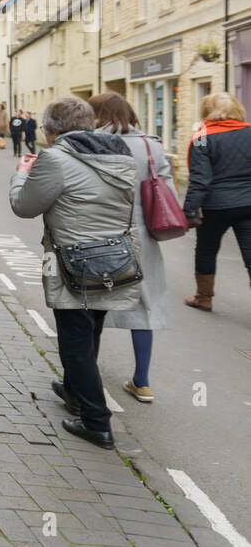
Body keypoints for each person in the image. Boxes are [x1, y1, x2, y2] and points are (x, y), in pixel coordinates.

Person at [10, 97, 142, 449]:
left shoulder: (55, 158)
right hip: (113, 258)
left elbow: (24, 206)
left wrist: (21, 175)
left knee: (74, 344)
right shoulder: (119, 152)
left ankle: (96, 422)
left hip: (74, 262)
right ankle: (74, 391)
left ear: (53, 130)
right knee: (91, 330)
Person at [90, 92, 175, 403]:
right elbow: (169, 190)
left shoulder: (89, 143)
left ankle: (86, 376)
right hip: (142, 234)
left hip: (100, 232)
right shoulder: (152, 145)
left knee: (91, 304)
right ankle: (142, 381)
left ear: (97, 114)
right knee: (144, 305)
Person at [181, 92, 251, 312]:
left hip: (216, 206)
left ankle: (204, 298)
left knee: (206, 249)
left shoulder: (202, 136)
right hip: (249, 203)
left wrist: (189, 210)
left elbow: (200, 179)